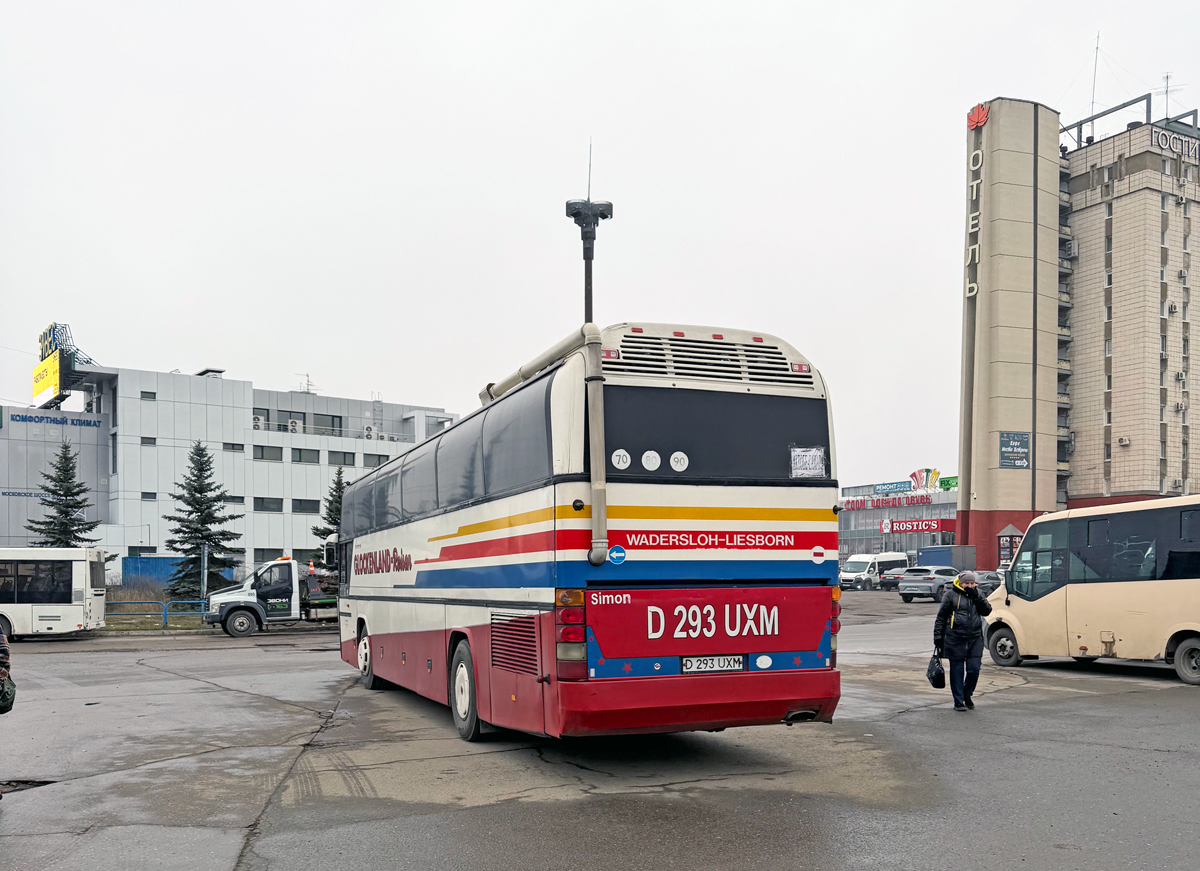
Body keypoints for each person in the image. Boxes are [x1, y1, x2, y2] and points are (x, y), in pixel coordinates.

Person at [933, 570, 992, 712]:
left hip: (975, 638)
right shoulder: (950, 595)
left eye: (972, 583)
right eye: (967, 583)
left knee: (974, 669)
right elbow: (941, 617)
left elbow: (987, 611)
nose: (970, 586)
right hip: (955, 637)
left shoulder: (978, 593)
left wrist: (977, 597)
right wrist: (938, 637)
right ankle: (958, 701)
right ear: (960, 583)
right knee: (957, 671)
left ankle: (967, 694)